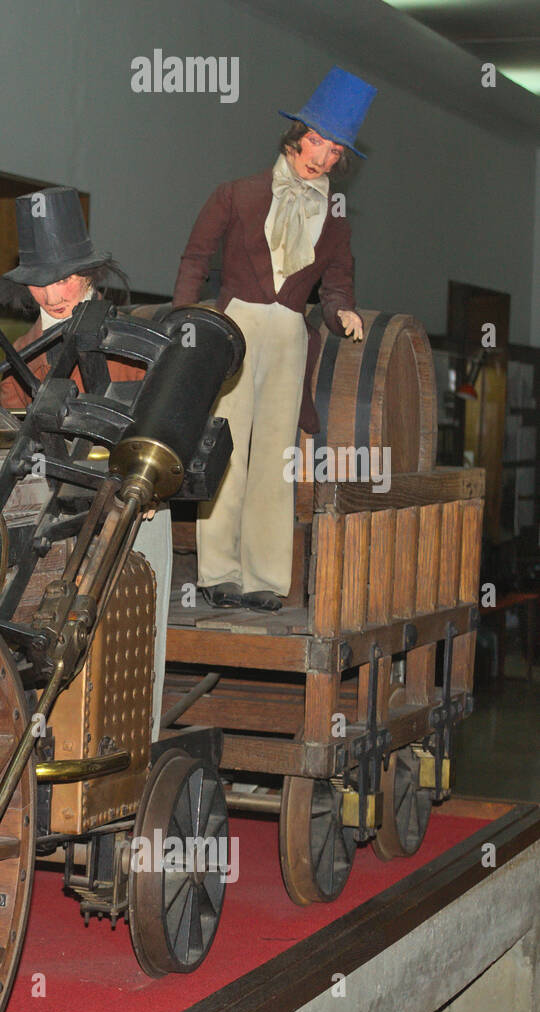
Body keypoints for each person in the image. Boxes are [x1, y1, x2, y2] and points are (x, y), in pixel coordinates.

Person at [173, 67, 374, 613]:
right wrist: (187, 319)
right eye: (315, 142)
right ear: (294, 137)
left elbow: (336, 289)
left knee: (275, 457)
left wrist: (343, 316)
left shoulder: (335, 221)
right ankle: (218, 571)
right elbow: (196, 259)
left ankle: (265, 577)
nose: (321, 158)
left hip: (289, 333)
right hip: (234, 325)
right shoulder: (236, 195)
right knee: (226, 446)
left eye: (334, 151)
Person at [0, 186, 172, 739]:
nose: (54, 291)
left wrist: (145, 491)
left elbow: (165, 426)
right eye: (41, 280)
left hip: (131, 510)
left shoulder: (136, 347)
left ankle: (135, 750)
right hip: (56, 522)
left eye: (66, 276)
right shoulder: (19, 360)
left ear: (90, 272)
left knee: (132, 641)